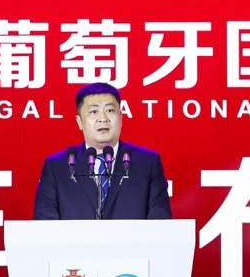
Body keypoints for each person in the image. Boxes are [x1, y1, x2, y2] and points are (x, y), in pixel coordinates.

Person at [33, 83, 172, 220]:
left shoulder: (147, 163)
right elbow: (45, 224)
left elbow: (160, 221)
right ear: (79, 122)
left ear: (121, 118)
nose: (103, 118)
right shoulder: (57, 166)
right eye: (94, 112)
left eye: (110, 110)